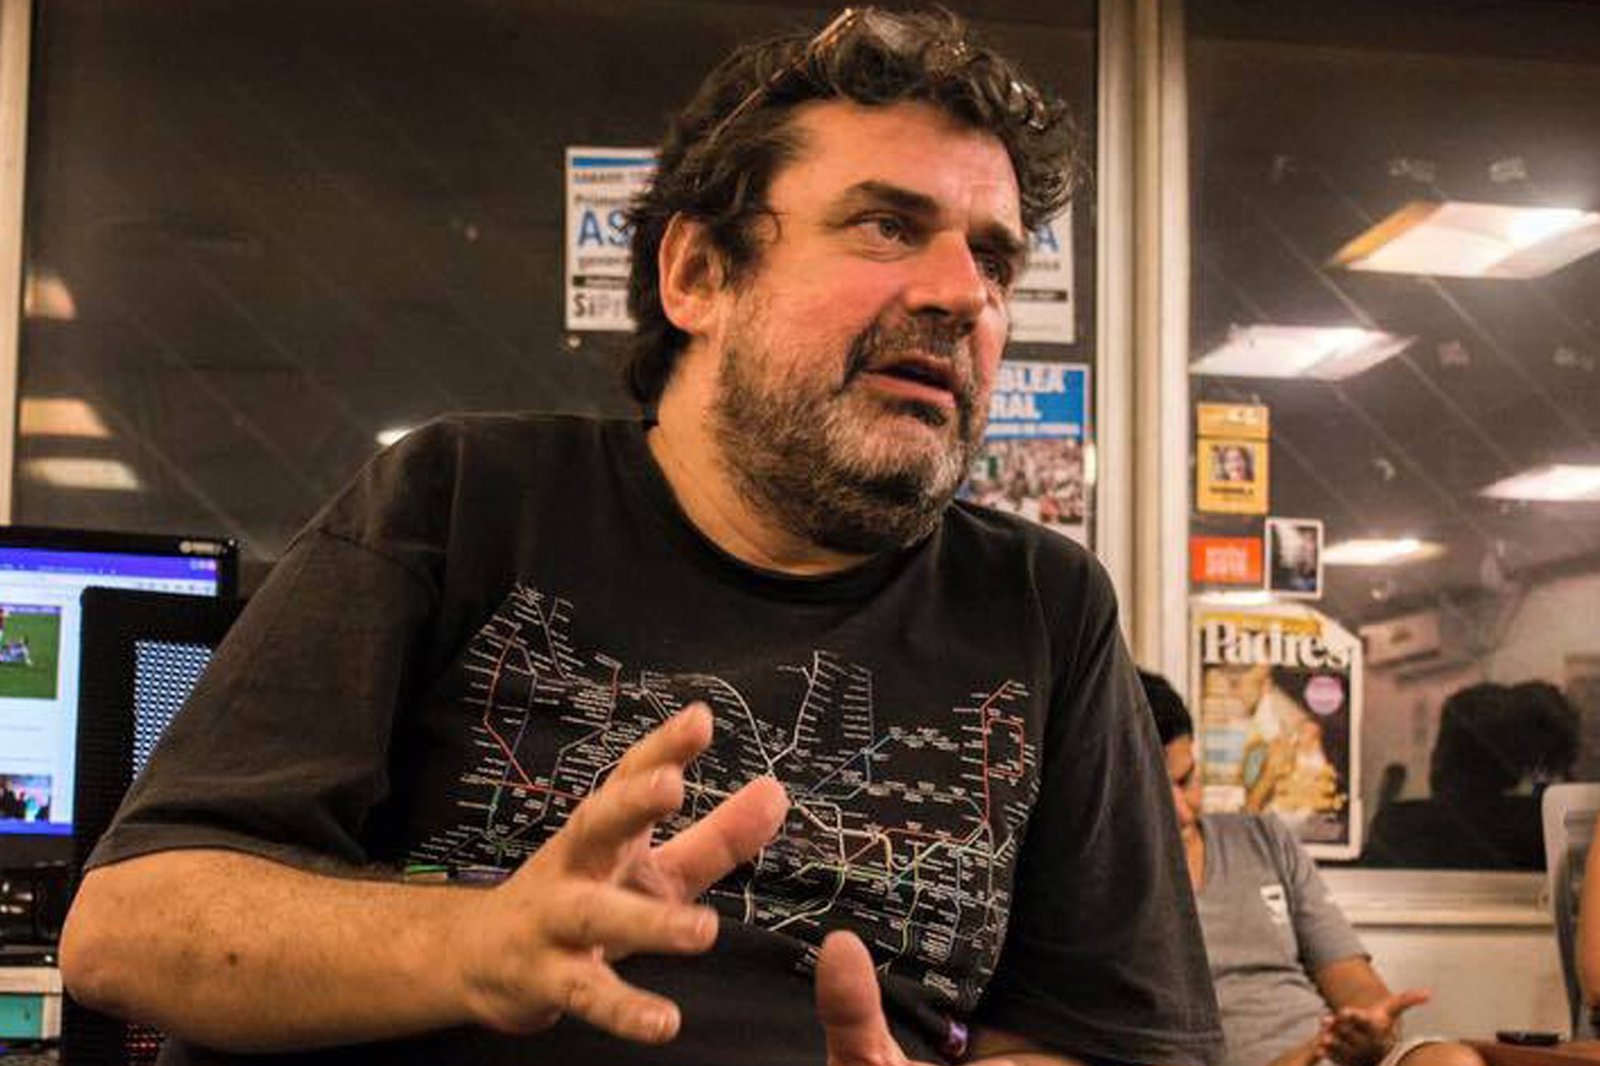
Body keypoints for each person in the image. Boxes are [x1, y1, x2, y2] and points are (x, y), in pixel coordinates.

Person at [60, 10, 1222, 1066]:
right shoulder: (462, 500)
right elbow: (129, 926)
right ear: (698, 272)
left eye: (995, 260)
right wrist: (481, 943)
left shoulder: (1041, 604)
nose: (963, 295)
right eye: (886, 225)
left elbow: (1110, 1037)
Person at [1140, 670, 1483, 1066]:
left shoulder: (1264, 839)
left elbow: (1355, 983)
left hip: (1329, 1054)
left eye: (1186, 781)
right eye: (1155, 795)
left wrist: (1369, 1027)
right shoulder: (1098, 886)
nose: (1183, 812)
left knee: (1452, 1061)